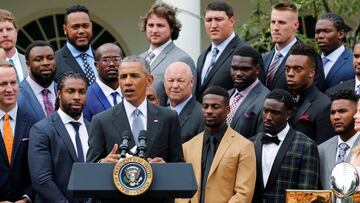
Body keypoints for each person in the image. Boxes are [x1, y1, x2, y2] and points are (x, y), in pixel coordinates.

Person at [87, 56, 183, 164]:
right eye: (123, 77)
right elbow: (90, 167)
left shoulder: (168, 118)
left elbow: (178, 165)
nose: (127, 82)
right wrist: (102, 164)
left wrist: (165, 167)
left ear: (149, 80)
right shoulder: (101, 121)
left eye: (134, 76)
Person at [177, 86, 256, 203]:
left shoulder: (244, 146)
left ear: (227, 110)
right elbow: (181, 190)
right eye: (205, 106)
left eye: (215, 107)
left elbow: (244, 194)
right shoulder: (188, 146)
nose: (209, 111)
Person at [28, 72, 90, 202]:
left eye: (82, 92)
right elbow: (41, 180)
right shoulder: (41, 130)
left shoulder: (93, 128)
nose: (77, 97)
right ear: (59, 94)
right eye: (70, 91)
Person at [253, 89, 319, 203]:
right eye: (265, 111)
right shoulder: (251, 143)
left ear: (288, 114)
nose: (268, 117)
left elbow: (306, 194)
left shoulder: (306, 146)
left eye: (275, 112)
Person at [139, 2, 195, 106]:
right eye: (151, 25)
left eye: (160, 26)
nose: (154, 30)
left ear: (172, 28)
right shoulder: (139, 59)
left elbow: (185, 105)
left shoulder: (182, 59)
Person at [260, 2, 325, 91]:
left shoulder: (309, 57)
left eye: (281, 22)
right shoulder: (264, 59)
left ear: (296, 25)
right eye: (273, 22)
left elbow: (314, 98)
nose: (275, 27)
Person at [196, 1, 247, 101]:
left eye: (219, 19)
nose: (213, 25)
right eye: (209, 20)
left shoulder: (244, 52)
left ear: (232, 21)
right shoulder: (203, 55)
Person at [0, 61, 36, 203]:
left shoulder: (34, 124)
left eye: (13, 83)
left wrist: (26, 198)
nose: (9, 89)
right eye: (3, 84)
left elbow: (40, 168)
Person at [286, 43, 334, 144]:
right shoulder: (283, 99)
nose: (290, 73)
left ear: (311, 73)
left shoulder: (325, 105)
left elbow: (324, 148)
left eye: (297, 69)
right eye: (287, 69)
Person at [319, 89, 359, 189]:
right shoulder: (321, 149)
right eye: (332, 112)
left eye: (342, 111)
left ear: (356, 113)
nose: (336, 117)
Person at [227, 46, 269, 139]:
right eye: (234, 68)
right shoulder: (225, 95)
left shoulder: (267, 100)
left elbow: (261, 139)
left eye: (244, 69)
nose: (238, 73)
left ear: (257, 69)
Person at [55, 4, 97, 86]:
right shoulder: (55, 61)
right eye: (75, 27)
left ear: (91, 26)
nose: (81, 31)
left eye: (85, 26)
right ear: (65, 29)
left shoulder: (101, 59)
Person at [164, 61, 204, 143]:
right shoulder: (160, 114)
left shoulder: (202, 115)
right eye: (170, 80)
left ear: (191, 82)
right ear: (164, 83)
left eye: (180, 81)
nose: (175, 86)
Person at [17, 40, 57, 122]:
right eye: (38, 60)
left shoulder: (64, 90)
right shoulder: (17, 94)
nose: (45, 63)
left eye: (50, 58)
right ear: (28, 65)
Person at [82, 43, 122, 121]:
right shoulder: (86, 96)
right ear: (96, 65)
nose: (111, 64)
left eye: (116, 59)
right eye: (106, 60)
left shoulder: (130, 92)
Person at [315, 13, 354, 90]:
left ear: (341, 34)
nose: (320, 36)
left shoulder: (353, 62)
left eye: (326, 31)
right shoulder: (312, 62)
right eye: (317, 32)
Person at [0, 9, 29, 81]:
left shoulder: (30, 63)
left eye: (9, 29)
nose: (5, 34)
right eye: (0, 31)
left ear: (16, 31)